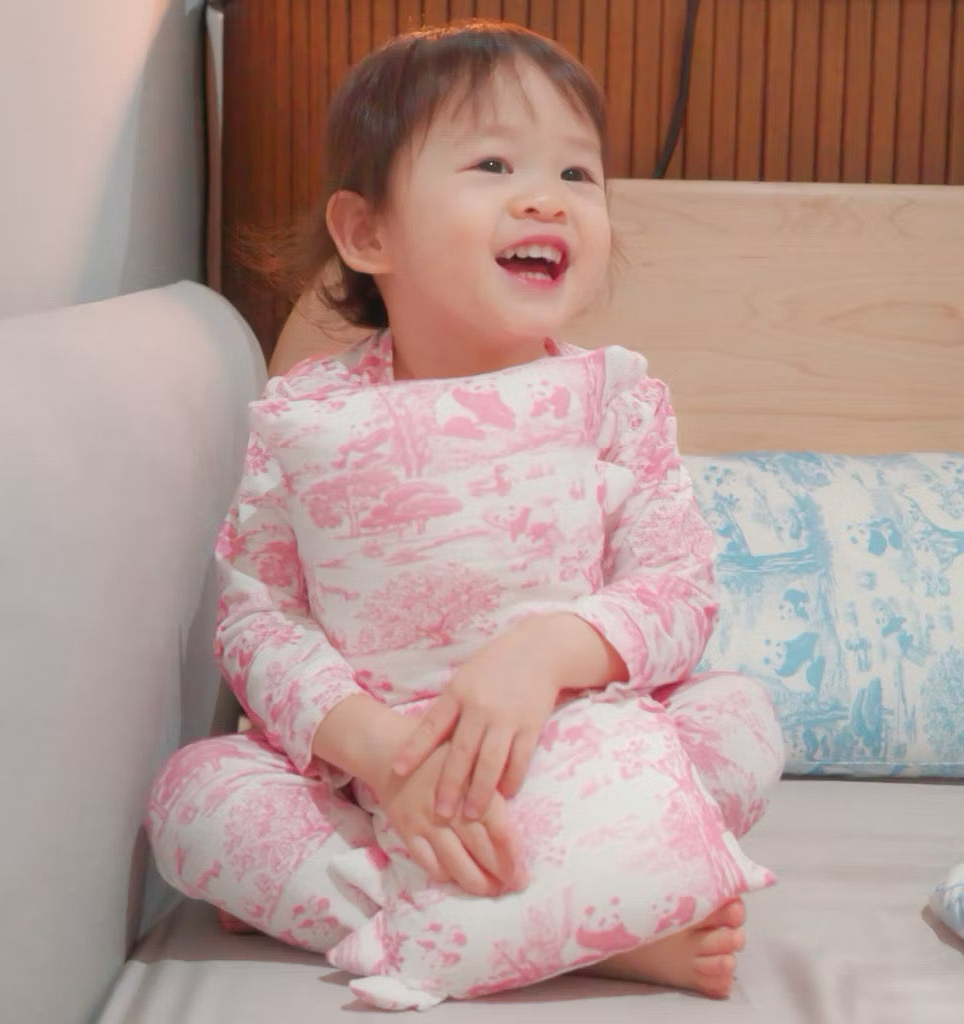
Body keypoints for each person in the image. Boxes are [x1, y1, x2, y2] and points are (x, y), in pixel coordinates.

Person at [145, 20, 784, 1007]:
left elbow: (675, 592)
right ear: (367, 234)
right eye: (493, 162)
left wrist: (542, 655)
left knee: (737, 720)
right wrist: (379, 751)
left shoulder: (616, 399)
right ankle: (586, 929)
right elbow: (259, 618)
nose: (547, 197)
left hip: (575, 761)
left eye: (579, 173)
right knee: (193, 795)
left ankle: (466, 913)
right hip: (378, 780)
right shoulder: (309, 414)